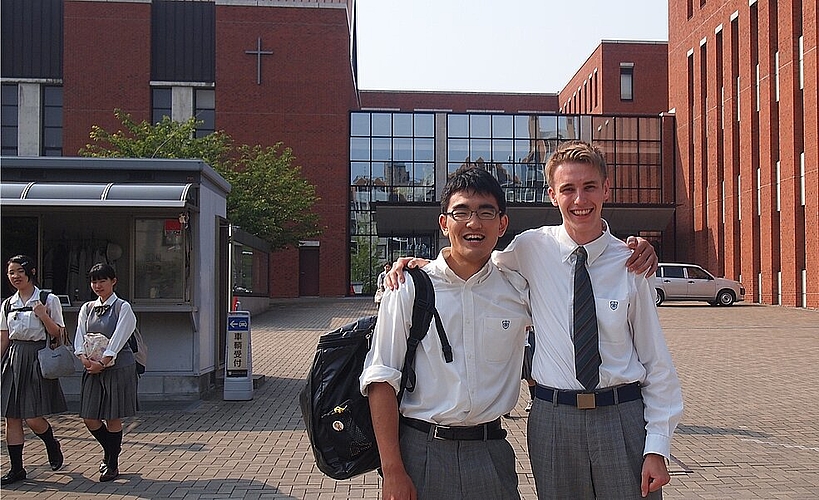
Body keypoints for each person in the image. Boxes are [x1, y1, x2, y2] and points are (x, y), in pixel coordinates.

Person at [494, 141, 683, 499]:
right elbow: (476, 270)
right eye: (568, 189)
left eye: (589, 187)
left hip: (621, 417)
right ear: (552, 195)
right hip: (553, 422)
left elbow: (656, 360)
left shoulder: (631, 262)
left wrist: (657, 447)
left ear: (606, 189)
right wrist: (428, 267)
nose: (580, 199)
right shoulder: (530, 248)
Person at [360, 166, 532, 499]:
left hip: (491, 453)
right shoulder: (410, 288)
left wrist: (633, 248)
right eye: (462, 212)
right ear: (444, 223)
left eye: (486, 212)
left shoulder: (518, 290)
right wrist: (393, 471)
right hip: (421, 453)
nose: (474, 223)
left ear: (502, 223)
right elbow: (381, 378)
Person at [1, 255, 66, 485]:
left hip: (37, 357)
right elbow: (4, 337)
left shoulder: (48, 299)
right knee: (12, 416)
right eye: (11, 272)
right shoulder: (8, 303)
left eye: (20, 271)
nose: (15, 276)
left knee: (32, 416)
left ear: (32, 272)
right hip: (13, 358)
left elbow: (58, 333)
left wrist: (42, 314)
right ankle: (17, 469)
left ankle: (50, 442)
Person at [74, 263, 139, 482]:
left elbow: (121, 336)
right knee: (89, 416)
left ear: (114, 281)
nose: (98, 285)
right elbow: (79, 335)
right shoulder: (87, 308)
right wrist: (82, 357)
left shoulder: (123, 307)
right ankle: (111, 452)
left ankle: (111, 464)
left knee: (113, 415)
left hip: (117, 367)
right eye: (94, 281)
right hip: (92, 367)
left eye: (102, 280)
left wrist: (104, 360)